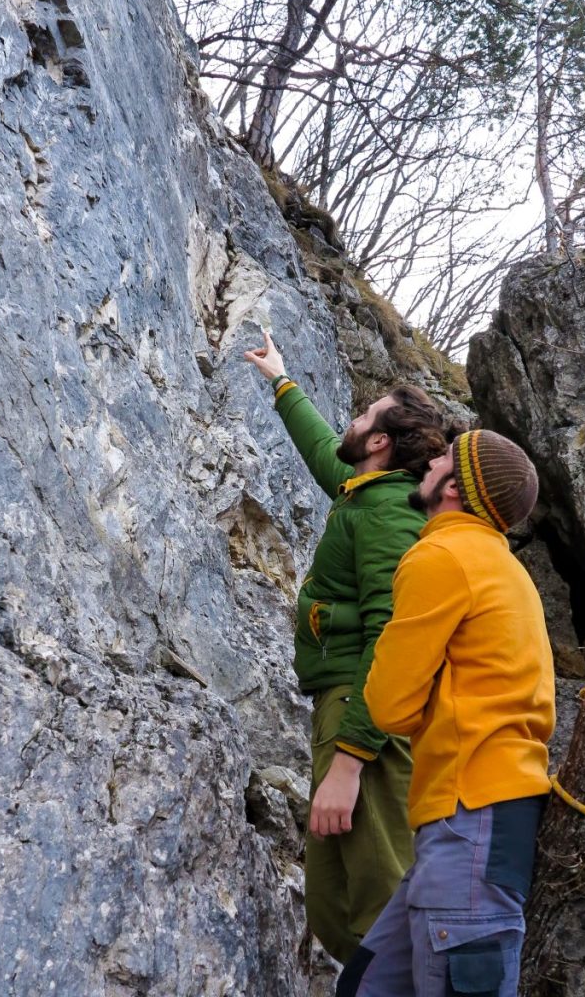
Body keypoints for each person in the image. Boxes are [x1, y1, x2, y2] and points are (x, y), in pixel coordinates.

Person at [244, 330, 449, 964]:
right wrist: (281, 382)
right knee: (332, 901)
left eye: (363, 416)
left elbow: (394, 639)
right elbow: (324, 455)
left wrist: (351, 760)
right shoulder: (368, 494)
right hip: (342, 706)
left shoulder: (388, 515)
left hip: (368, 722)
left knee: (382, 898)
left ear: (380, 442)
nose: (352, 422)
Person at [338, 429, 556, 997]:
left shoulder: (440, 556)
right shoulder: (506, 570)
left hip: (469, 820)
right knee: (366, 985)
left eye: (441, 459)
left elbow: (387, 704)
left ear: (455, 486)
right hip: (493, 817)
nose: (429, 461)